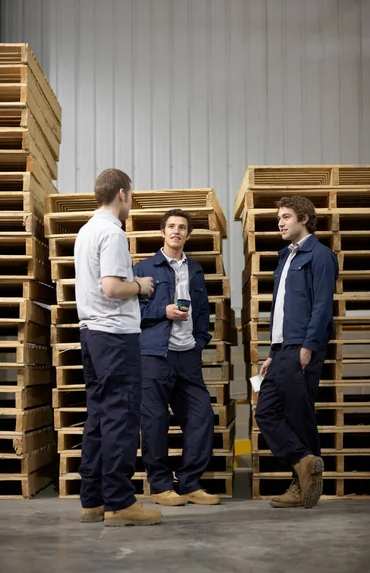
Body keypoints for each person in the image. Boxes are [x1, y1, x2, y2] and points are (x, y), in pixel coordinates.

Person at [74, 168, 162, 526]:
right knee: (121, 417)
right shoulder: (111, 233)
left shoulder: (84, 231)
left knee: (98, 415)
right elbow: (112, 287)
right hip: (115, 337)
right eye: (131, 196)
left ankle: (93, 500)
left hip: (92, 334)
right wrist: (140, 285)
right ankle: (120, 502)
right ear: (122, 194)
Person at [255, 196, 338, 509]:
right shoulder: (285, 258)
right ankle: (304, 463)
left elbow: (321, 306)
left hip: (302, 347)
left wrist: (308, 346)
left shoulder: (320, 256)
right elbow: (281, 310)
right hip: (282, 349)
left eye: (287, 216)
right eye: (279, 217)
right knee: (266, 412)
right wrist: (273, 352)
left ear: (304, 218)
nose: (280, 222)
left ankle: (301, 483)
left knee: (299, 416)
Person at [133, 209, 220, 506]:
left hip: (187, 355)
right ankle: (159, 487)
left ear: (188, 234)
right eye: (171, 226)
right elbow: (133, 313)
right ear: (162, 232)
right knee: (155, 421)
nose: (176, 231)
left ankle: (189, 483)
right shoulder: (144, 268)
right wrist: (163, 311)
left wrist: (199, 343)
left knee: (201, 417)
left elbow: (204, 310)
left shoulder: (195, 269)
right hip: (155, 356)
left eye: (182, 227)